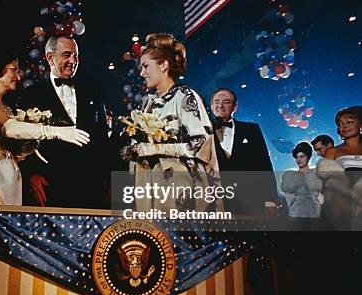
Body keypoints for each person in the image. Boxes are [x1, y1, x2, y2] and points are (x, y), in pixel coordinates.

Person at [0, 57, 89, 205]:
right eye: (13, 69)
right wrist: (57, 131)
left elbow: (11, 138)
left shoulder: (6, 107)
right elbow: (9, 128)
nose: (18, 77)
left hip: (7, 169)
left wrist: (24, 149)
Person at [127, 33, 222, 212]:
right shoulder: (148, 103)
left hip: (179, 187)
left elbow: (200, 142)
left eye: (146, 66)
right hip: (149, 189)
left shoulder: (184, 96)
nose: (142, 73)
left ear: (164, 65)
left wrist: (156, 149)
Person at [18, 35, 110, 209]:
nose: (73, 61)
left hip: (91, 184)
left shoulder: (91, 90)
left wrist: (109, 178)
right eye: (67, 55)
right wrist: (32, 174)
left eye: (76, 56)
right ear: (50, 57)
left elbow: (102, 136)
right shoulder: (31, 94)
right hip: (50, 183)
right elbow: (24, 140)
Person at [211, 88, 278, 216]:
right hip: (216, 202)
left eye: (226, 101)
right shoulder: (202, 133)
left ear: (235, 107)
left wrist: (270, 199)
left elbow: (264, 164)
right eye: (216, 102)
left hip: (251, 200)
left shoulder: (251, 129)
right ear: (211, 106)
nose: (220, 105)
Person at [316, 106, 362, 226]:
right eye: (341, 124)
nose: (344, 126)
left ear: (361, 125)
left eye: (349, 122)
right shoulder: (333, 152)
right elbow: (328, 183)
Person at [281, 142, 323, 218]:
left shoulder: (316, 173)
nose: (299, 159)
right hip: (295, 214)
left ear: (308, 157)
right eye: (297, 157)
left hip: (314, 214)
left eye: (302, 156)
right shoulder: (289, 175)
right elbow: (285, 188)